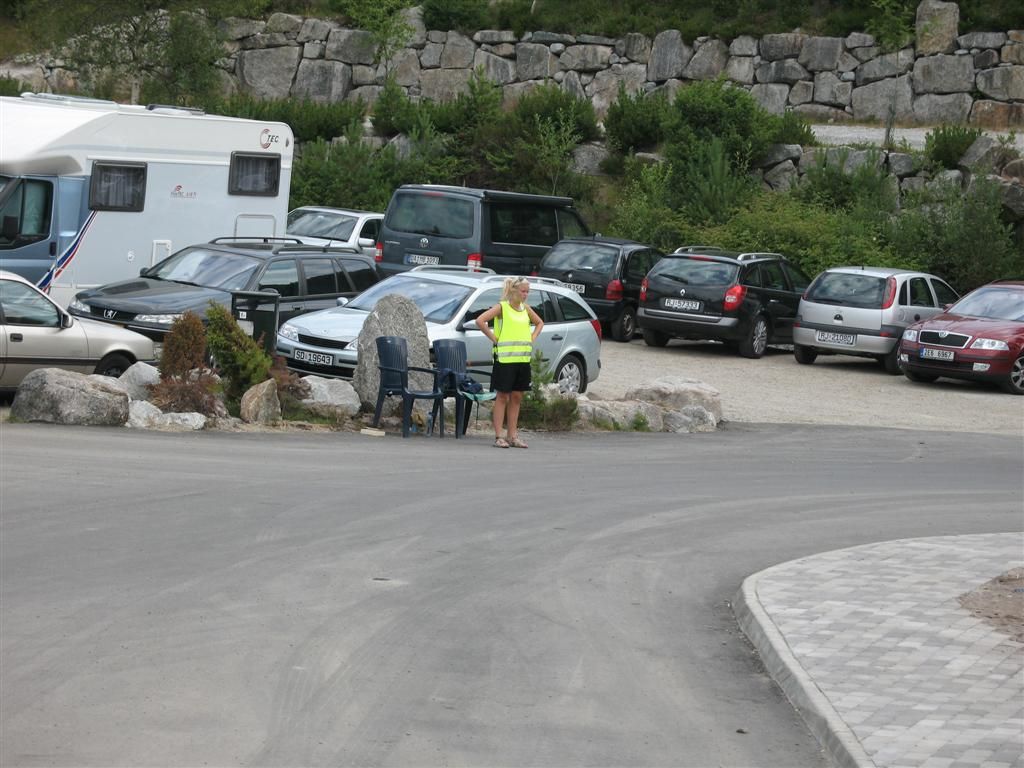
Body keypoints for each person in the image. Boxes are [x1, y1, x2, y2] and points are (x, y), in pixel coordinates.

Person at [476, 276, 544, 448]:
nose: (526, 294)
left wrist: (532, 338)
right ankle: (499, 436)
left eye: (528, 291)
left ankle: (513, 436)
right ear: (514, 291)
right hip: (505, 360)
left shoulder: (525, 309)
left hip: (522, 360)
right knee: (502, 396)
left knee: (516, 397)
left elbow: (539, 323)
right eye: (523, 291)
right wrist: (494, 338)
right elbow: (480, 321)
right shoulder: (502, 307)